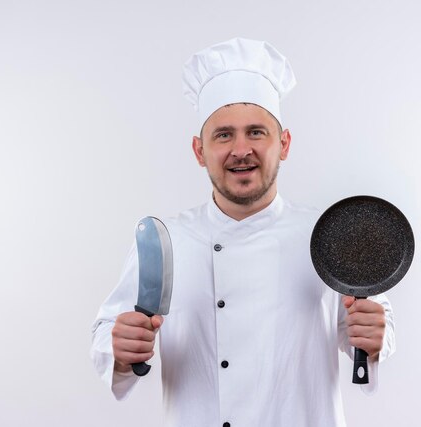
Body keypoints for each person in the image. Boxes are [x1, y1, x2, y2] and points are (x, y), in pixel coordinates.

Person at [91, 37, 395, 427]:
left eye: (256, 132)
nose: (240, 149)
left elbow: (372, 328)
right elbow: (107, 331)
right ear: (199, 151)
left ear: (283, 144)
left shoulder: (330, 235)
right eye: (223, 135)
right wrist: (119, 349)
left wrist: (372, 340)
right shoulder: (168, 241)